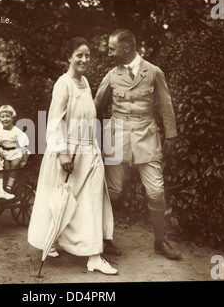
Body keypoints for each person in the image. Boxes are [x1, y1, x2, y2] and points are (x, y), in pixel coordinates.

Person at [28, 37, 117, 275]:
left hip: (89, 151)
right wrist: (63, 153)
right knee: (60, 202)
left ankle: (93, 256)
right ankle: (52, 240)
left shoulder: (85, 82)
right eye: (79, 55)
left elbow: (87, 116)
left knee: (92, 201)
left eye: (87, 55)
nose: (84, 59)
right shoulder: (63, 83)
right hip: (68, 154)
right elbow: (54, 121)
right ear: (69, 56)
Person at [94, 29, 181, 260]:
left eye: (112, 48)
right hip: (117, 137)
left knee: (156, 191)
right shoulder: (111, 75)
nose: (109, 53)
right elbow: (95, 107)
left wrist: (171, 135)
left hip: (146, 136)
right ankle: (104, 240)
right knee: (112, 191)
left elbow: (166, 105)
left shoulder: (153, 72)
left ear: (127, 48)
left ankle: (160, 241)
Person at [0, 105, 29, 192]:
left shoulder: (17, 131)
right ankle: (4, 185)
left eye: (8, 116)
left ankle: (10, 185)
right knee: (6, 167)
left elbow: (23, 146)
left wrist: (24, 160)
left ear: (12, 118)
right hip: (4, 152)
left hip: (15, 152)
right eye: (3, 117)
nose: (5, 119)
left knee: (15, 164)